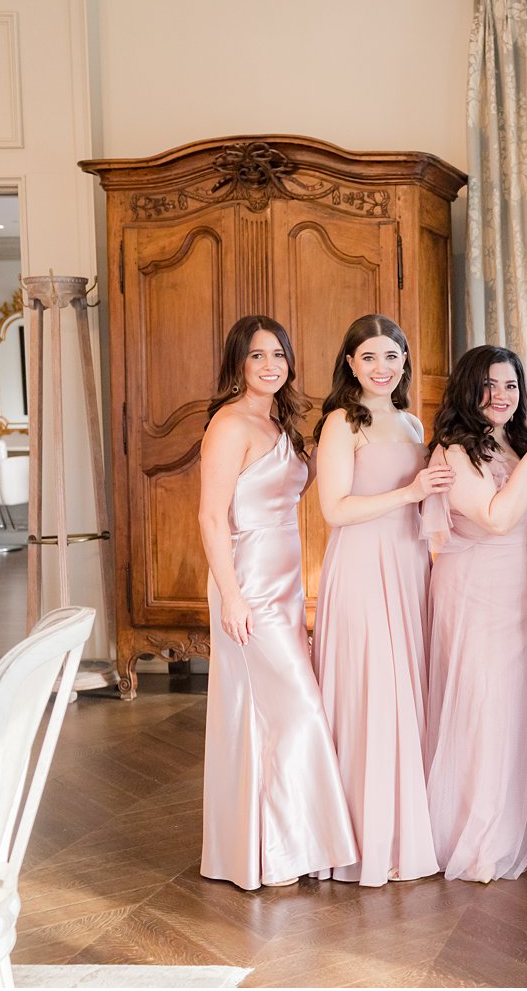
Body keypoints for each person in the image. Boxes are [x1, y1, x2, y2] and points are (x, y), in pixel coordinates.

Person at [197, 315, 357, 890]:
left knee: (264, 716)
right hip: (247, 586)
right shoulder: (229, 424)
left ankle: (272, 846)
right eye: (258, 355)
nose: (270, 365)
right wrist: (232, 597)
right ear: (238, 362)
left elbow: (309, 483)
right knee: (296, 710)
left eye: (279, 355)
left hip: (286, 587)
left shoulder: (283, 426)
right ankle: (286, 847)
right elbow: (212, 516)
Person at [311, 313, 453, 887]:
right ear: (350, 364)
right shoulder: (343, 424)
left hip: (408, 563)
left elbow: (429, 505)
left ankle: (402, 833)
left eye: (391, 356)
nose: (381, 367)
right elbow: (334, 510)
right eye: (368, 357)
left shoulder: (415, 425)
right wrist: (410, 492)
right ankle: (360, 839)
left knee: (406, 691)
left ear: (403, 362)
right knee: (373, 691)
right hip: (363, 566)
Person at [422, 346, 527, 882]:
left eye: (510, 386)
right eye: (488, 385)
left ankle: (519, 823)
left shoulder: (513, 441)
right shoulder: (454, 451)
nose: (500, 397)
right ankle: (479, 836)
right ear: (467, 389)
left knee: (517, 706)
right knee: (485, 707)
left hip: (522, 584)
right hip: (478, 587)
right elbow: (495, 517)